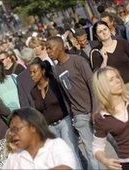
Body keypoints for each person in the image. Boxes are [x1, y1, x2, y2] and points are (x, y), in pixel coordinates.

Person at [46, 36, 101, 169]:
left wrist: (95, 110)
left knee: (112, 141)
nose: (48, 51)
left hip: (96, 111)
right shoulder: (57, 70)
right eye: (46, 49)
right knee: (91, 152)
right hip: (79, 116)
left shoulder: (78, 61)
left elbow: (93, 85)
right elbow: (65, 97)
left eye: (50, 48)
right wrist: (72, 118)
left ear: (61, 47)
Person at [92, 66, 129, 170]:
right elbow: (97, 147)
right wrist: (105, 161)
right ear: (102, 86)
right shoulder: (101, 117)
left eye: (117, 77)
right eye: (111, 79)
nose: (118, 81)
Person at [29, 57, 82, 168]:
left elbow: (67, 99)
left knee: (71, 154)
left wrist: (73, 118)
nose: (32, 75)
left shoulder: (54, 83)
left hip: (64, 122)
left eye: (35, 72)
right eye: (30, 73)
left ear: (42, 71)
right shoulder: (33, 91)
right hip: (50, 129)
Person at [3, 107, 76, 169]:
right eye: (11, 130)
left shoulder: (55, 145)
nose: (12, 134)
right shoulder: (14, 157)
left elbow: (66, 167)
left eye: (17, 129)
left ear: (33, 127)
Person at [90, 21, 129, 88]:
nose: (104, 32)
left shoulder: (122, 43)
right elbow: (98, 77)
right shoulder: (96, 52)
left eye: (105, 29)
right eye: (100, 32)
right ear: (97, 36)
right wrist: (104, 60)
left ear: (109, 29)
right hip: (115, 88)